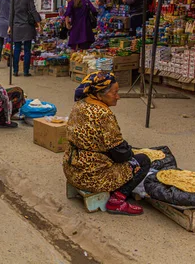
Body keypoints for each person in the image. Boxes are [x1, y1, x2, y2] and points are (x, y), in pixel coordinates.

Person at [64, 71, 150, 216]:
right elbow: (119, 153)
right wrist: (131, 153)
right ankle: (116, 201)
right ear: (99, 94)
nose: (118, 96)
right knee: (142, 161)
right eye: (114, 92)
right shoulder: (103, 114)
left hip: (72, 169)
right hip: (90, 177)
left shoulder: (80, 104)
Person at [11, 0, 41, 77]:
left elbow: (11, 13)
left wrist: (9, 26)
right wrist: (38, 23)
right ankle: (25, 71)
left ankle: (15, 71)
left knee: (17, 49)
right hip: (27, 26)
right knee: (27, 49)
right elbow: (33, 10)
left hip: (16, 26)